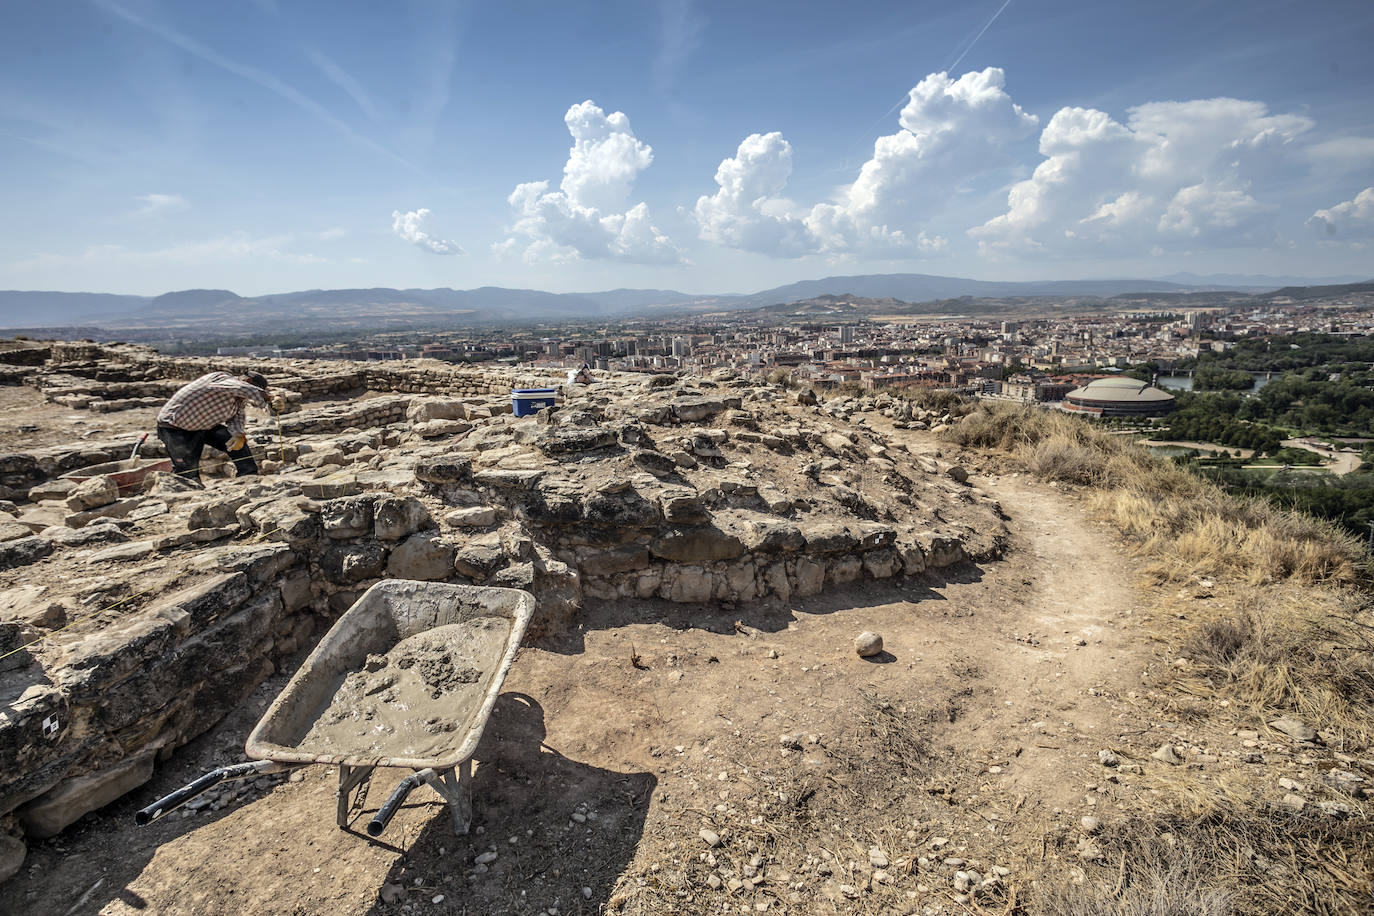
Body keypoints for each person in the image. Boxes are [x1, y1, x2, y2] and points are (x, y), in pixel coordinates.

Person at [156, 371, 283, 483]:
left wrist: (238, 434)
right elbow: (242, 387)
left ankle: (248, 478)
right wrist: (268, 398)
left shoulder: (239, 398)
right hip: (174, 428)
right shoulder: (222, 380)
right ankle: (189, 493)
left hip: (204, 426)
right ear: (248, 381)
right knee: (188, 472)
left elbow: (237, 417)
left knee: (238, 444)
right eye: (253, 388)